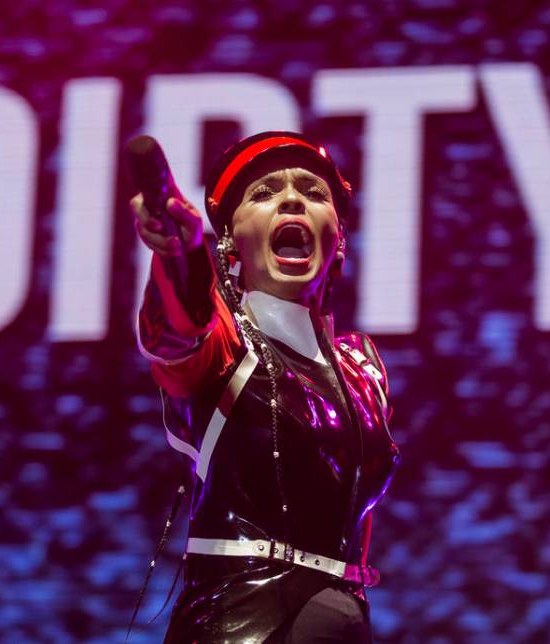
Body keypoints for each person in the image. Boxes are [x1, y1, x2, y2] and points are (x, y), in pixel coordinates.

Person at [132, 132, 400, 642]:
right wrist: (181, 254)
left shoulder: (363, 367)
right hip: (241, 626)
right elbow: (177, 330)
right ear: (231, 239)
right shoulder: (223, 349)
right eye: (264, 193)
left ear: (338, 236)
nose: (292, 198)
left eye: (313, 192)